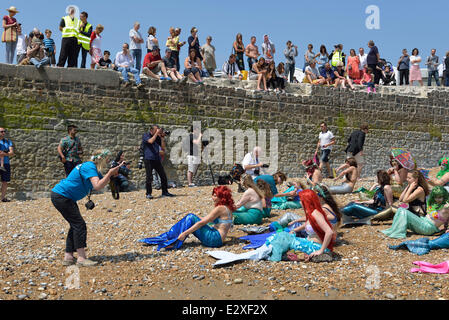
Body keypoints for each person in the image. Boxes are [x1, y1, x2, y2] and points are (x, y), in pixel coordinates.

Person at [51, 149, 122, 266]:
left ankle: (68, 257)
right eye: (107, 159)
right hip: (62, 196)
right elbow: (97, 186)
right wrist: (109, 173)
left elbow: (102, 183)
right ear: (102, 159)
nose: (108, 162)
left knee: (74, 225)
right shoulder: (89, 167)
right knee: (79, 225)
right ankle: (81, 258)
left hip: (63, 196)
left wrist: (112, 175)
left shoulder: (91, 168)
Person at [140, 186, 236, 250]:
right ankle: (171, 238)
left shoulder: (219, 208)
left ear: (222, 197)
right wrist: (196, 216)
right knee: (192, 217)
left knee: (190, 218)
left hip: (214, 239)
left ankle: (174, 240)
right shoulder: (227, 208)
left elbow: (201, 223)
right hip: (217, 239)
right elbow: (207, 220)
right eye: (213, 195)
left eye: (215, 196)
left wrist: (185, 233)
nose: (212, 197)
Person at [381, 171, 446, 239]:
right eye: (407, 177)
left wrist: (410, 188)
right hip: (414, 216)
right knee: (400, 208)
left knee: (402, 210)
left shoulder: (419, 190)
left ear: (416, 179)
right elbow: (400, 199)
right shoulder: (412, 187)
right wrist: (408, 187)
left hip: (420, 219)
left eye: (409, 178)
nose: (407, 179)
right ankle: (394, 230)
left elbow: (405, 200)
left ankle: (397, 232)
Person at [288, 189, 336, 261]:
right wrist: (294, 230)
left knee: (284, 241)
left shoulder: (315, 213)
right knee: (283, 238)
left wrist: (321, 250)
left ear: (306, 201)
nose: (300, 202)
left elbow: (329, 232)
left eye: (301, 200)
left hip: (315, 246)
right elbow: (307, 225)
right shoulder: (311, 212)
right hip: (308, 243)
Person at [142, 125, 174, 199]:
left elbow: (163, 148)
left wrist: (162, 138)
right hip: (148, 159)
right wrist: (157, 134)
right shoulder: (146, 135)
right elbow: (150, 141)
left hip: (156, 159)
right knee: (149, 177)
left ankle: (165, 192)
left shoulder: (157, 137)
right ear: (151, 130)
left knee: (163, 175)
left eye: (158, 130)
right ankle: (148, 193)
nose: (158, 131)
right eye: (156, 130)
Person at [0, 128, 14, 202]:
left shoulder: (8, 141)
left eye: (4, 131)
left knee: (5, 181)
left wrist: (4, 154)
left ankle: (2, 198)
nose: (3, 133)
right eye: (1, 131)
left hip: (6, 164)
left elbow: (11, 153)